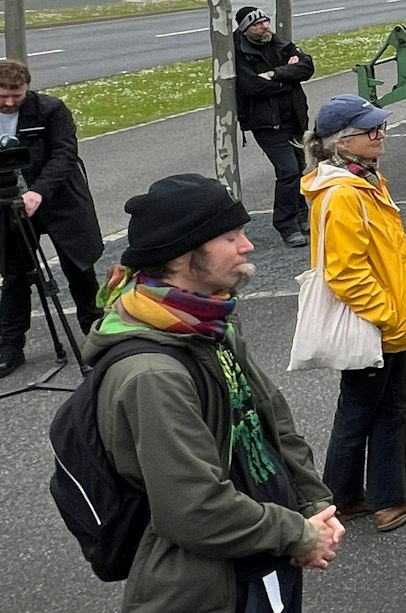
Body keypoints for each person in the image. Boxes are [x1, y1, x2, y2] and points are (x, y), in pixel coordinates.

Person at [87, 173, 342, 612]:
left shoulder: (209, 324)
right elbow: (193, 508)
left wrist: (314, 504)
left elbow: (271, 423)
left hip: (266, 553)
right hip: (214, 587)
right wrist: (299, 533)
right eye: (231, 235)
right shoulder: (151, 374)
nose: (248, 245)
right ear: (185, 256)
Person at [301, 94, 406, 535]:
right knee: (388, 408)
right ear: (342, 142)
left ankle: (343, 496)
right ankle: (388, 500)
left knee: (360, 408)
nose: (380, 135)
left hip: (379, 321)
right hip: (375, 323)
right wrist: (387, 316)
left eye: (381, 127)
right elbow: (346, 272)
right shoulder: (345, 193)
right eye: (370, 131)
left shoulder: (363, 181)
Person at [0, 58, 103, 378]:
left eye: (16, 95)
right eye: (2, 95)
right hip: (9, 204)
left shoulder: (51, 110)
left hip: (60, 200)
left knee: (80, 270)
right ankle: (9, 347)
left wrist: (38, 191)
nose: (8, 102)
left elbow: (64, 154)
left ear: (27, 88)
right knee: (15, 276)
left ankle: (98, 339)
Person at [233, 7, 315, 248]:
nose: (264, 26)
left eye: (265, 21)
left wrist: (274, 74)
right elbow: (252, 87)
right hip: (267, 123)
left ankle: (302, 218)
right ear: (246, 29)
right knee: (288, 171)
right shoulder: (240, 52)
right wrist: (289, 80)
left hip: (294, 119)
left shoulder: (280, 44)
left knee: (301, 169)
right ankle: (286, 225)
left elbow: (307, 67)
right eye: (257, 24)